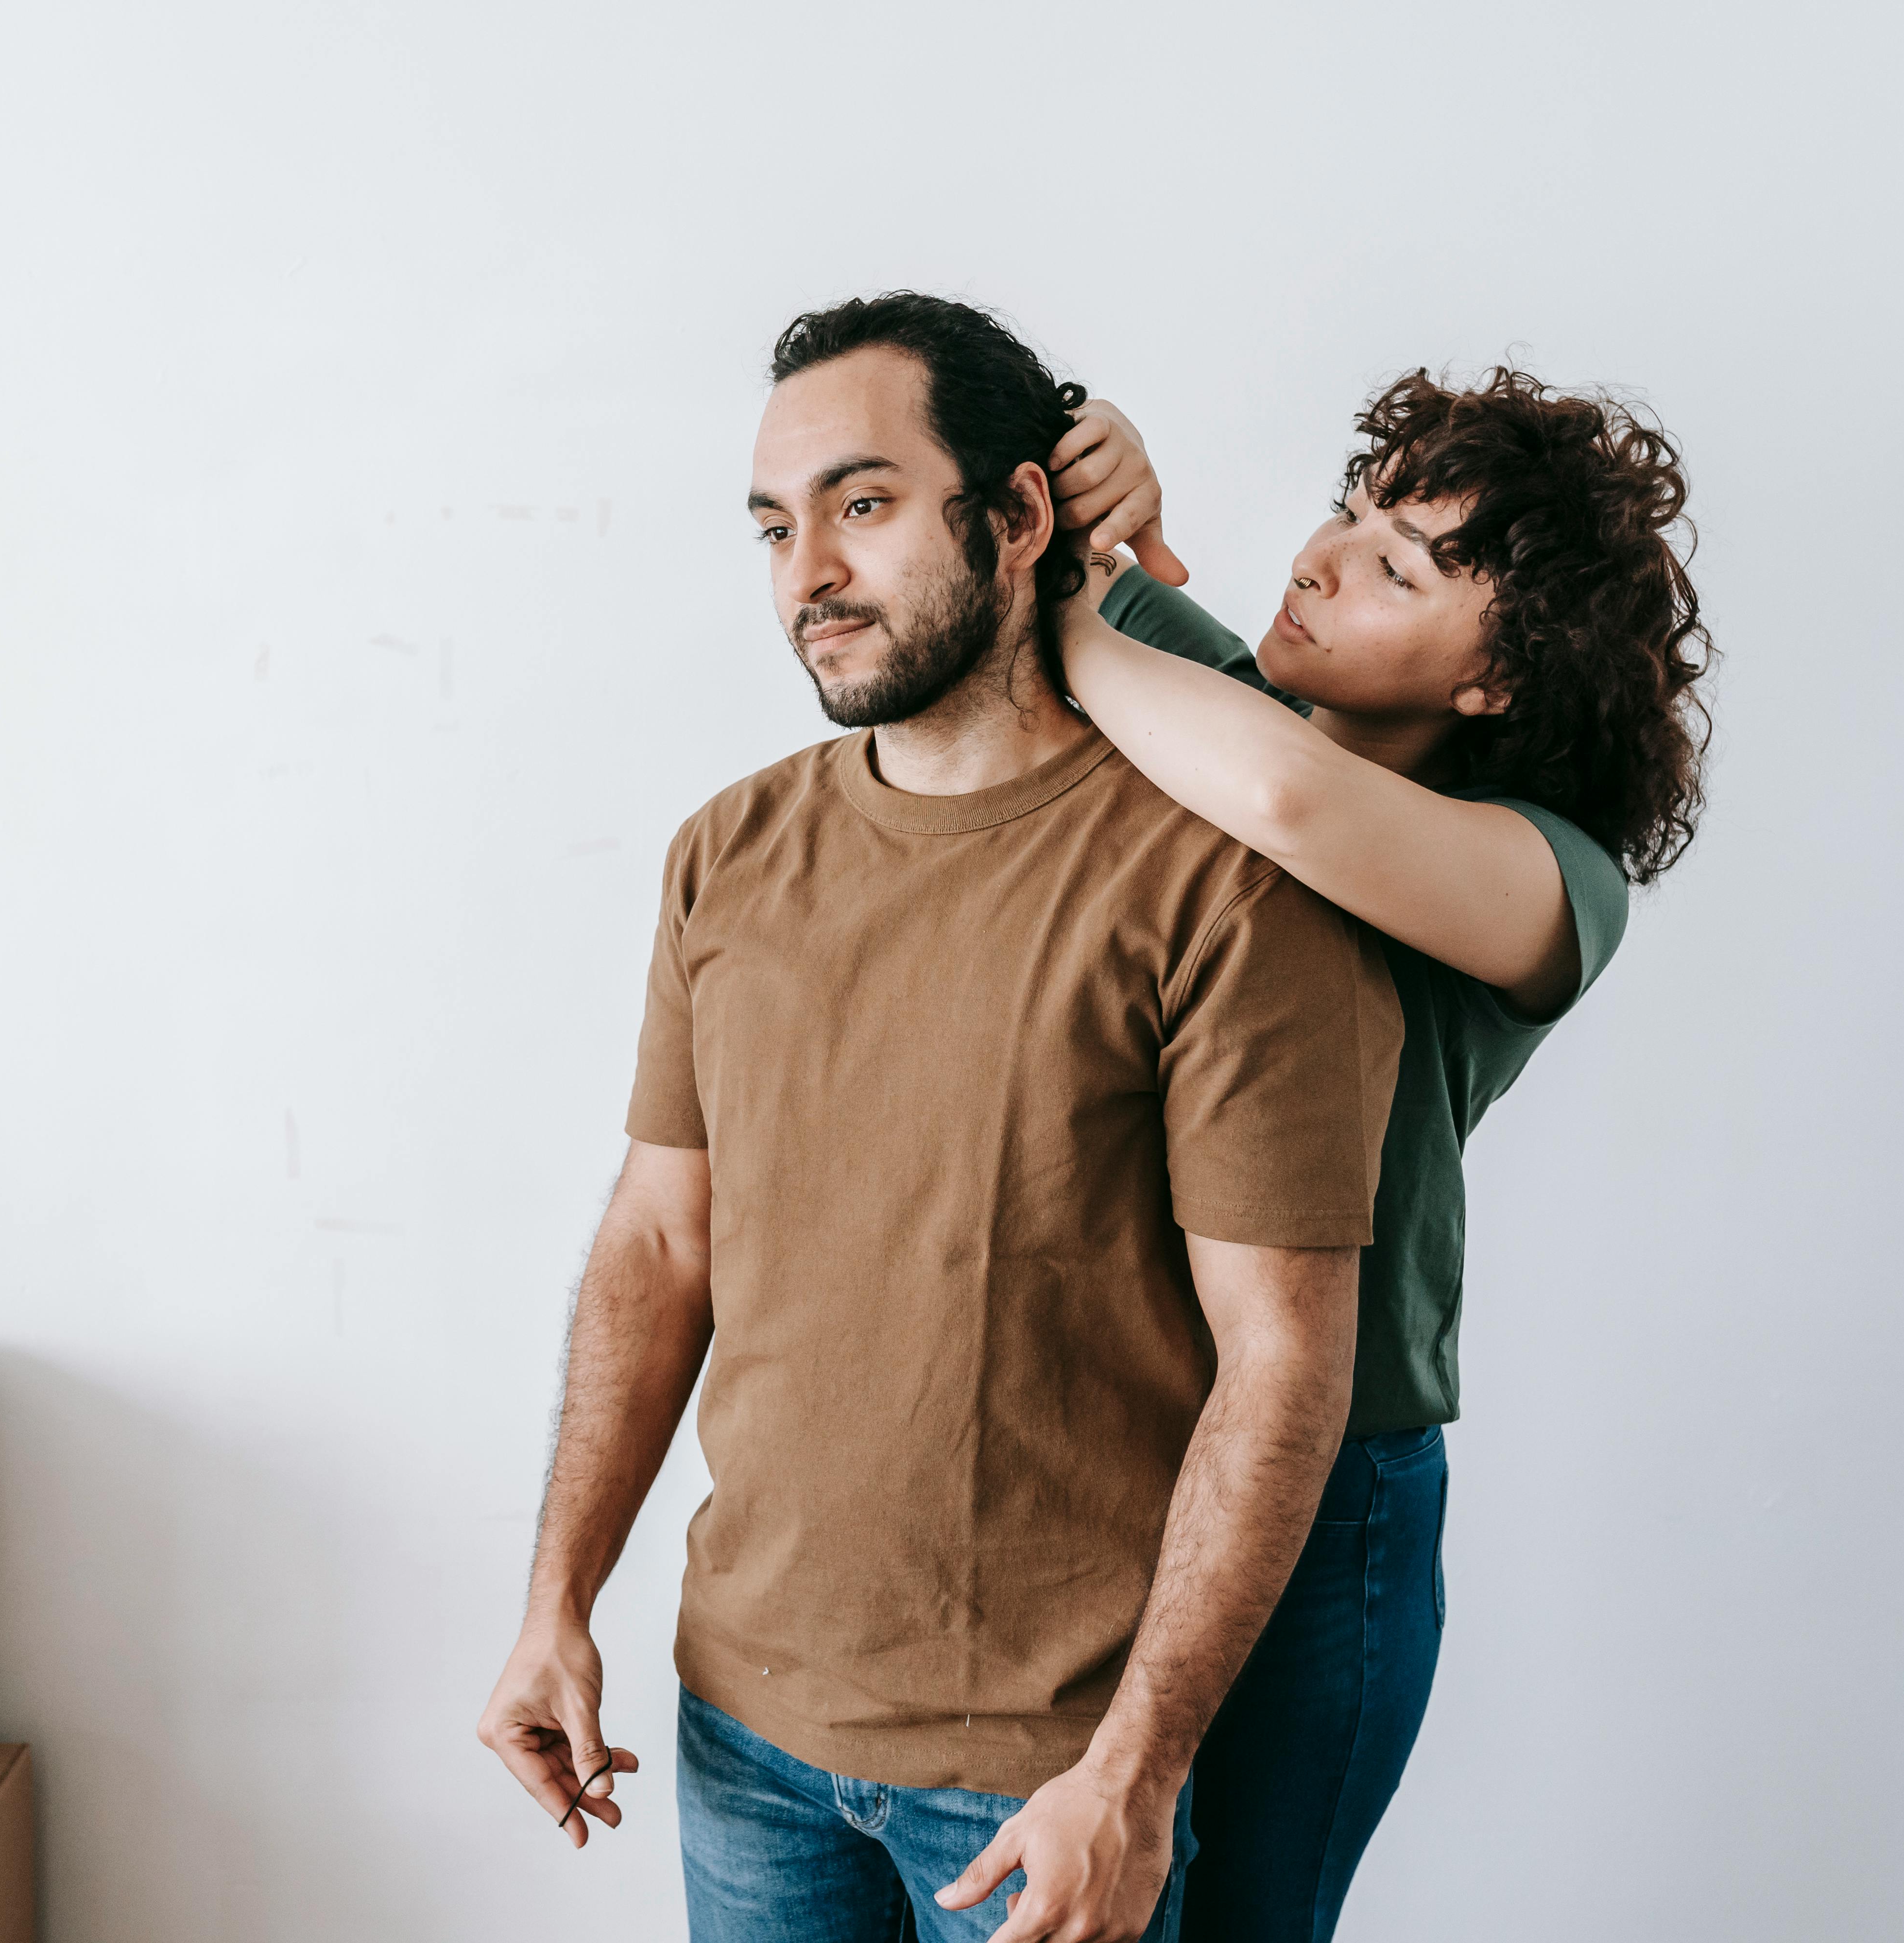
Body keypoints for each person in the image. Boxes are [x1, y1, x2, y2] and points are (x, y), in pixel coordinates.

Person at [476, 291, 1405, 1942]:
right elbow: (659, 1238)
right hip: (741, 1738)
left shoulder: (1229, 883)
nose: (807, 575)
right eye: (776, 525)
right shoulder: (727, 853)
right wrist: (559, 1600)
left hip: (1042, 1779)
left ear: (1022, 514)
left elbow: (1284, 1363)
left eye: (865, 503)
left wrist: (1134, 1770)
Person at [1031, 367, 1713, 1939]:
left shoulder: (1552, 882)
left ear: (1501, 680)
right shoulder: (1225, 706)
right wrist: (1101, 477)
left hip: (1335, 1498)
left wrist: (1094, 613)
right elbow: (1043, 552)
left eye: (1400, 565)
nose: (1324, 558)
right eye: (1348, 515)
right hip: (1123, 1444)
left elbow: (1284, 797)